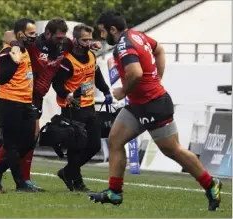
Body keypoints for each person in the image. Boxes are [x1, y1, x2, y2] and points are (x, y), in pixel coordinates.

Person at [88, 11, 222, 211]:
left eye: (102, 31)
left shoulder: (125, 45)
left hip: (153, 105)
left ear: (112, 29)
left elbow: (135, 73)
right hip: (138, 105)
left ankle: (211, 184)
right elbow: (159, 49)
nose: (102, 36)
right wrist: (157, 78)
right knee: (115, 140)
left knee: (172, 150)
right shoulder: (137, 35)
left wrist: (123, 91)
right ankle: (114, 192)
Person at [0, 19, 102, 191]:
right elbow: (10, 35)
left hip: (38, 95)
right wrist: (16, 45)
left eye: (63, 38)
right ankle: (13, 176)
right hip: (24, 93)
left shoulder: (65, 44)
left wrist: (91, 44)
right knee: (22, 138)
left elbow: (78, 44)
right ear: (47, 34)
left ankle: (8, 174)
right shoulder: (34, 44)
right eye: (58, 38)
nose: (61, 41)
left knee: (29, 139)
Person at [52, 24, 112, 192]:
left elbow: (96, 75)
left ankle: (68, 172)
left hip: (89, 106)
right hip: (73, 108)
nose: (88, 43)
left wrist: (106, 91)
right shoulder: (67, 61)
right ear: (76, 40)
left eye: (90, 39)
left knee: (94, 145)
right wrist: (66, 94)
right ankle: (77, 182)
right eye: (84, 40)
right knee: (76, 146)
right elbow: (56, 83)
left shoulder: (92, 56)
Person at [0, 18, 38, 192]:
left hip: (25, 102)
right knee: (12, 145)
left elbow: (9, 33)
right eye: (31, 34)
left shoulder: (21, 47)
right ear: (21, 34)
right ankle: (20, 184)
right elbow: (2, 78)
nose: (34, 37)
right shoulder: (8, 53)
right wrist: (15, 62)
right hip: (10, 102)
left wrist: (16, 42)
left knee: (29, 142)